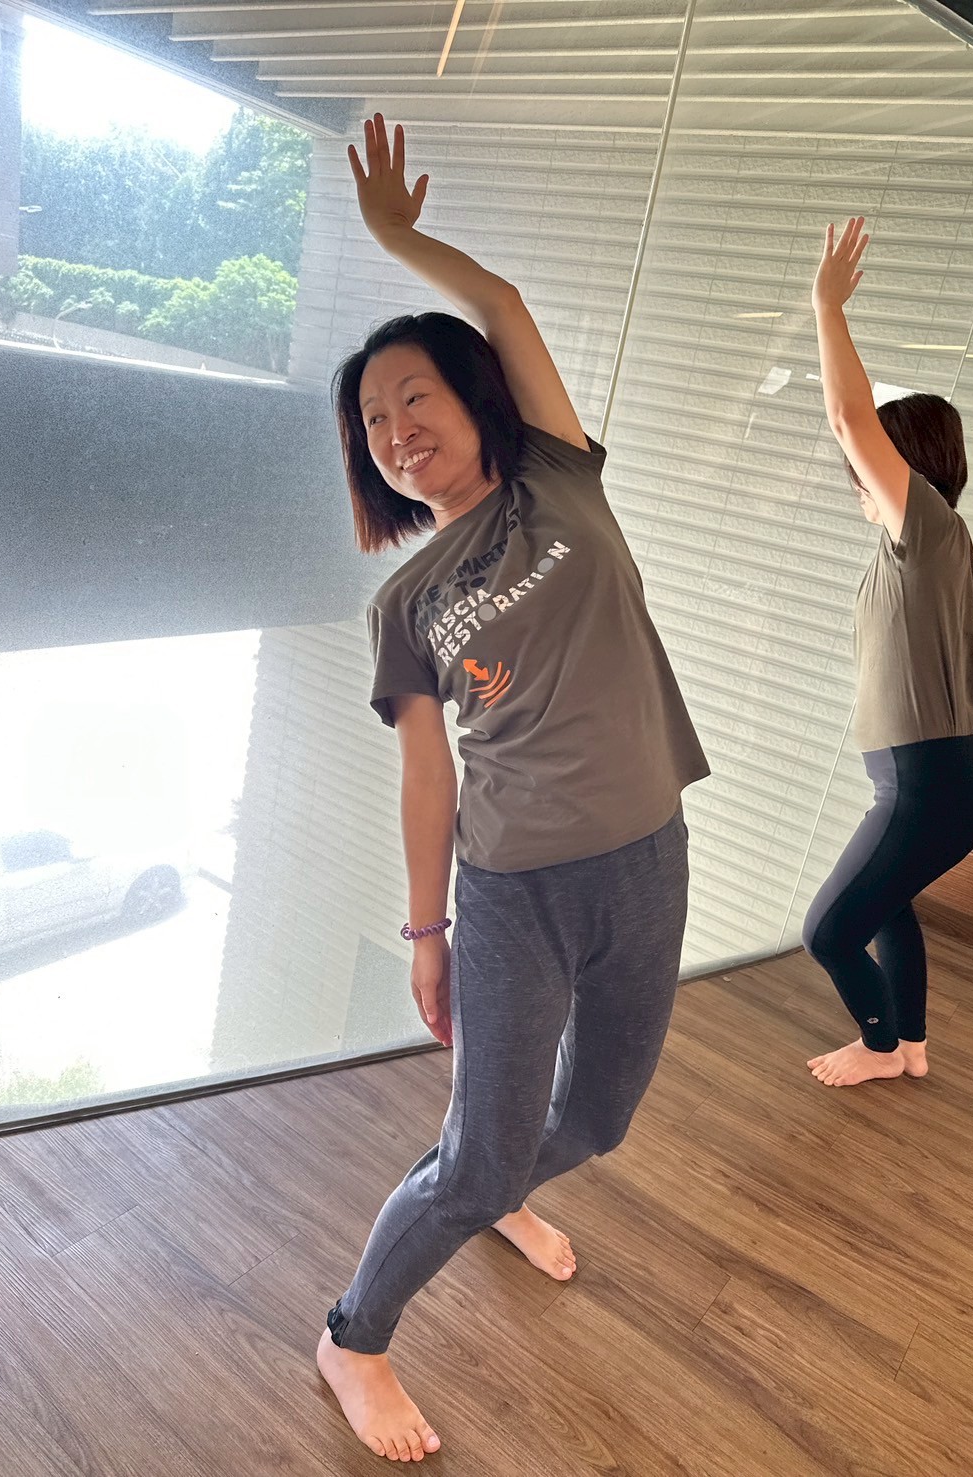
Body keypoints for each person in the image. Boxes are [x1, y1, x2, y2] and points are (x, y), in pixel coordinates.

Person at [316, 115, 709, 1462]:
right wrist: (426, 932)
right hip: (512, 895)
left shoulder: (555, 473)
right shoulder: (407, 601)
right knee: (482, 1151)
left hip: (647, 857)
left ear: (472, 397)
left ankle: (480, 1190)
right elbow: (428, 774)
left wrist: (399, 238)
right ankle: (353, 1334)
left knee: (595, 1116)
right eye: (372, 422)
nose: (394, 429)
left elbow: (504, 303)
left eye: (411, 396)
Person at [802, 217, 973, 1089]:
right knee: (885, 905)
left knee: (828, 930)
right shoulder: (918, 547)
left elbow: (850, 418)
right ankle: (910, 1044)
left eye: (869, 462)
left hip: (933, 780)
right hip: (927, 776)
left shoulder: (927, 527)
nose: (855, 474)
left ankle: (880, 1044)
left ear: (904, 464)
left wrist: (826, 307)